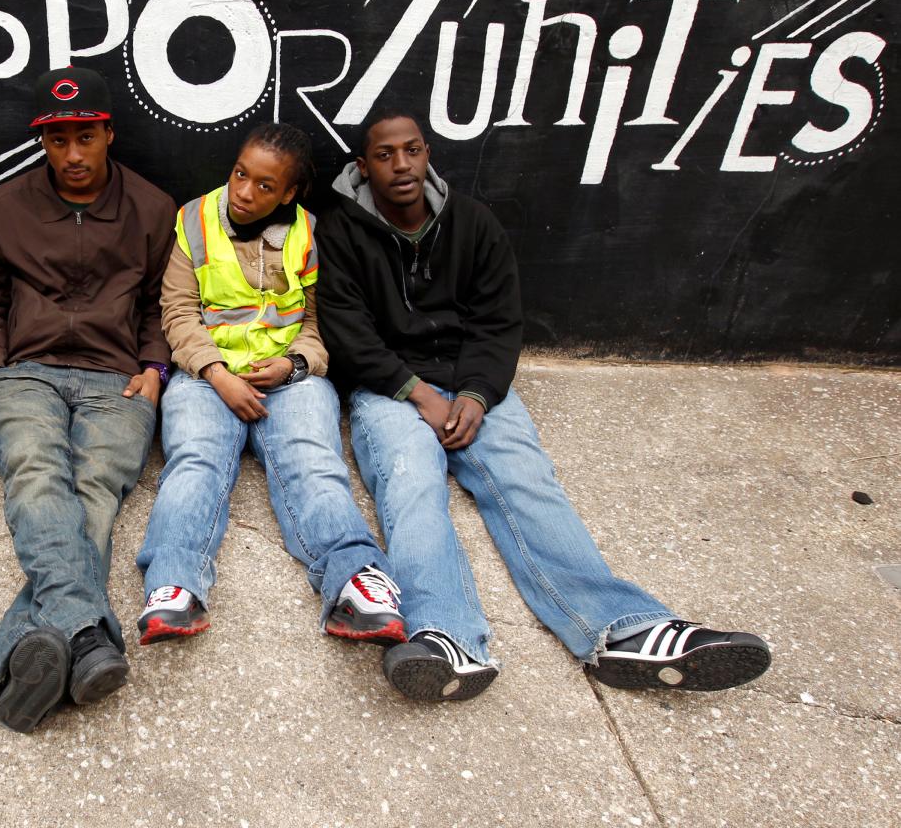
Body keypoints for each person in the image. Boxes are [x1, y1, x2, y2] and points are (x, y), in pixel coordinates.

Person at [316, 108, 771, 701]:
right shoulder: (340, 231)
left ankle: (623, 628)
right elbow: (348, 331)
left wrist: (478, 395)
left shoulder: (473, 223)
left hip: (472, 380)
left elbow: (499, 324)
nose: (401, 164)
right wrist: (417, 393)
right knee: (410, 485)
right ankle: (447, 637)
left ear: (427, 154)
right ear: (363, 165)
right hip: (390, 388)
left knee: (527, 481)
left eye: (413, 150)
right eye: (385, 154)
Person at [0, 65, 175, 733]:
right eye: (58, 142)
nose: (73, 155)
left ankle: (33, 653)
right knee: (37, 475)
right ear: (42, 144)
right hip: (24, 372)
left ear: (108, 133)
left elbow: (163, 303)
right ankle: (87, 636)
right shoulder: (3, 208)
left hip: (118, 380)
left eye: (85, 137)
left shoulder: (152, 208)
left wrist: (155, 367)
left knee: (96, 492)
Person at [136, 122, 406, 655]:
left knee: (314, 461)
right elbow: (178, 311)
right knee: (195, 461)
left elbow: (317, 321)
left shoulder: (309, 233)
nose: (243, 192)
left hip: (288, 377)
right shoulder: (193, 219)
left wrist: (294, 365)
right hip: (205, 375)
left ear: (289, 193)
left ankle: (355, 578)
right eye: (240, 175)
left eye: (264, 186)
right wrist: (217, 374)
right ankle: (174, 583)